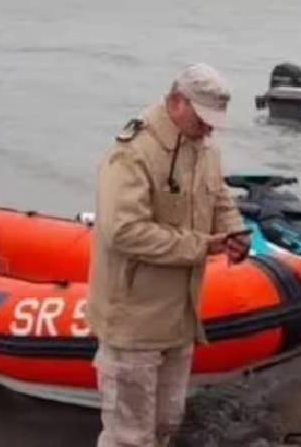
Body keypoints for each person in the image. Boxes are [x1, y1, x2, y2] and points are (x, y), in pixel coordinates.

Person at [88, 63, 251, 447]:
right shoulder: (132, 153)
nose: (209, 128)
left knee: (165, 425)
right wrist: (200, 245)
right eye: (203, 118)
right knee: (129, 436)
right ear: (177, 101)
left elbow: (221, 198)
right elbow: (123, 231)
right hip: (134, 321)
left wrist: (236, 232)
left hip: (179, 319)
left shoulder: (203, 148)